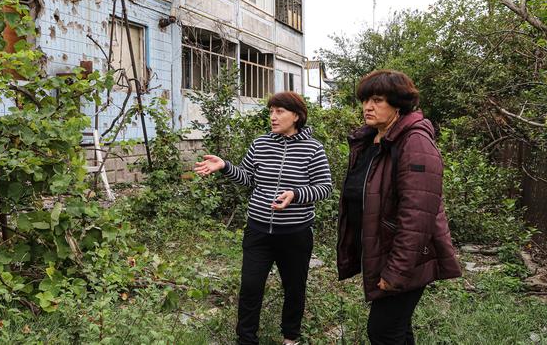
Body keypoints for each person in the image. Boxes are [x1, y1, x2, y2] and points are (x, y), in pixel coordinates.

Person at [195, 91, 333, 345]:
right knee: (250, 286)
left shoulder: (313, 149)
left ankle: (290, 338)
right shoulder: (261, 144)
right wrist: (225, 166)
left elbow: (325, 187)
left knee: (294, 288)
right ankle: (246, 340)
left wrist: (296, 194)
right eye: (271, 111)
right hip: (258, 230)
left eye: (279, 111)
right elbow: (247, 177)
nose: (273, 116)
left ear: (297, 116)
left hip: (295, 234)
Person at [336, 70, 461, 345]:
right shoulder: (372, 140)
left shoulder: (414, 142)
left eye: (378, 100)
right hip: (384, 251)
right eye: (365, 100)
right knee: (397, 330)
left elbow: (418, 217)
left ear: (398, 105)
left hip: (405, 257)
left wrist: (397, 271)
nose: (368, 107)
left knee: (382, 331)